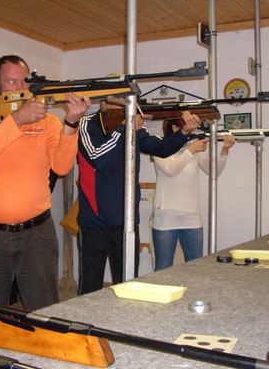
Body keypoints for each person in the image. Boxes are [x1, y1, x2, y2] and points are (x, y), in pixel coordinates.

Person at [0, 55, 91, 311]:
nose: (21, 88)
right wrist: (18, 119)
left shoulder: (47, 120)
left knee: (45, 310)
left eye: (25, 81)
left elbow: (62, 167)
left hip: (37, 234)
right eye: (12, 82)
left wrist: (71, 123)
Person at [76, 100, 201, 295]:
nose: (124, 107)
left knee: (126, 284)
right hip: (94, 220)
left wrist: (184, 133)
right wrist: (124, 129)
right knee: (90, 285)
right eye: (119, 102)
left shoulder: (132, 128)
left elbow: (162, 148)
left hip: (126, 220)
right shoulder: (86, 124)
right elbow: (97, 157)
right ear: (103, 103)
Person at [151, 118, 235, 271]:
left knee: (196, 267)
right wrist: (191, 150)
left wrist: (225, 151)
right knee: (163, 268)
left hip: (192, 218)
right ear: (174, 127)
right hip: (166, 217)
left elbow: (214, 171)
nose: (190, 130)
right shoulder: (160, 148)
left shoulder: (193, 149)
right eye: (186, 127)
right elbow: (171, 170)